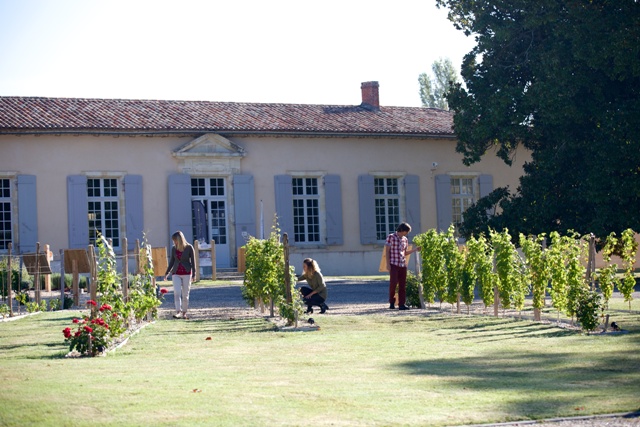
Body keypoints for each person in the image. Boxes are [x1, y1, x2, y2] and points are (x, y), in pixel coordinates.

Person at [386, 222, 420, 310]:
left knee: (402, 285)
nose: (407, 233)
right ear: (402, 230)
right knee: (393, 284)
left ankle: (402, 304)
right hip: (393, 264)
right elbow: (387, 251)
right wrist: (388, 264)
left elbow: (405, 253)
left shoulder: (405, 239)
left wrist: (415, 250)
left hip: (402, 264)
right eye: (406, 231)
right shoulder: (391, 237)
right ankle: (392, 302)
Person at [164, 231, 196, 319]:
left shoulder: (189, 248)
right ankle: (178, 311)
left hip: (187, 273)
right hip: (176, 273)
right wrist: (167, 273)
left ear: (179, 240)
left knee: (185, 294)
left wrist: (194, 274)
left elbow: (193, 262)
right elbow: (172, 261)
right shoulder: (174, 248)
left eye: (175, 240)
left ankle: (184, 312)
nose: (174, 242)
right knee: (177, 293)